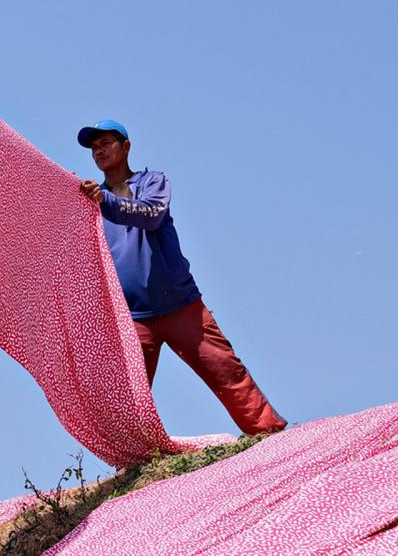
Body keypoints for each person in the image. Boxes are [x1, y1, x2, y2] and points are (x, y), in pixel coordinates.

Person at [76, 119, 286, 435]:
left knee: (226, 369)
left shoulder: (152, 182)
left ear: (126, 146)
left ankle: (268, 433)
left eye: (105, 143)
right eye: (94, 148)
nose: (99, 151)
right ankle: (137, 462)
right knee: (128, 395)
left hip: (180, 304)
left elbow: (152, 214)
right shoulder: (90, 202)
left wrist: (105, 201)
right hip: (131, 315)